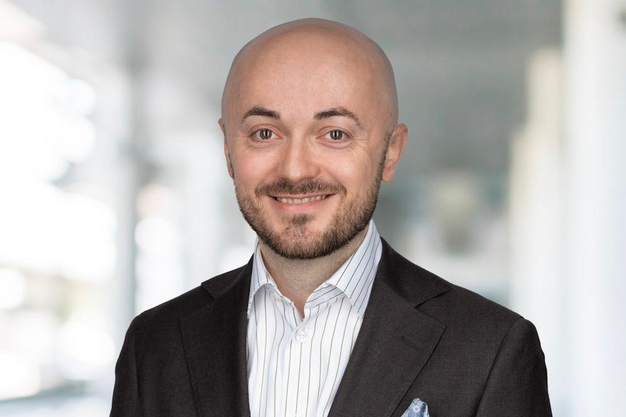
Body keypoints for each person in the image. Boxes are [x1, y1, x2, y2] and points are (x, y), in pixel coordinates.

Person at [110, 18, 552, 417]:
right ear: (228, 150)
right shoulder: (154, 345)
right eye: (265, 133)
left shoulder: (490, 350)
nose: (295, 170)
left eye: (334, 134)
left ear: (390, 152)